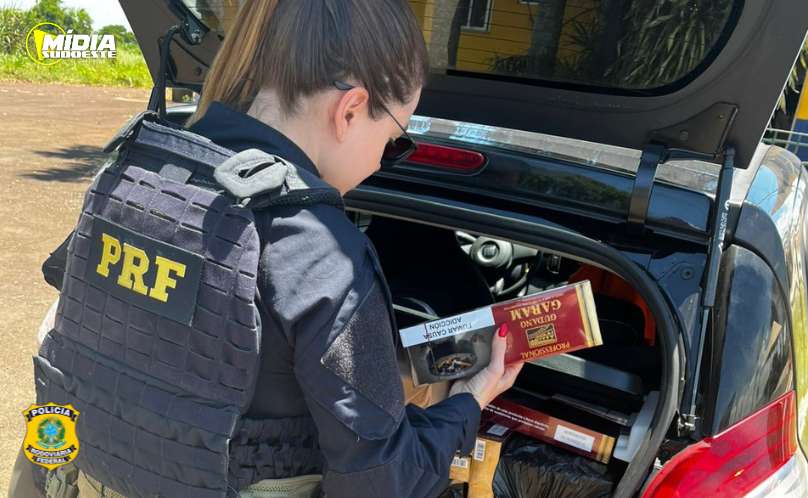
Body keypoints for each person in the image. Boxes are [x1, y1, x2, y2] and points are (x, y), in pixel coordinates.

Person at [25, 1, 524, 497]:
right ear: (350, 110)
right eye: (393, 141)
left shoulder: (136, 176)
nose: (380, 162)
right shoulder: (322, 253)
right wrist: (468, 402)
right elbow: (380, 483)